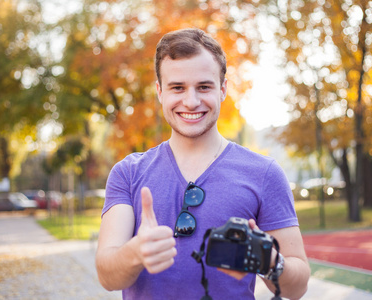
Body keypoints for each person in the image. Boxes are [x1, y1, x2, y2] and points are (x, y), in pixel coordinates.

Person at [96, 28, 310, 300]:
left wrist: (268, 261)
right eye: (177, 88)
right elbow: (107, 275)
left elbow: (298, 287)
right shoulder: (127, 173)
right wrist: (135, 252)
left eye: (204, 86)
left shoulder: (265, 173)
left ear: (223, 89)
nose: (191, 101)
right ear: (160, 92)